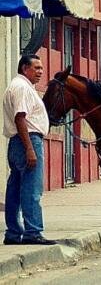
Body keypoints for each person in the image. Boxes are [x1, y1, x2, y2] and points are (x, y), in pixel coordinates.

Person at [3, 55, 55, 245]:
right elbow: (20, 118)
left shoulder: (19, 86)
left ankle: (13, 233)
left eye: (41, 68)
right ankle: (33, 231)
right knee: (31, 189)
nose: (40, 72)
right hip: (27, 140)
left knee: (15, 189)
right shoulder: (22, 87)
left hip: (18, 142)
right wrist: (30, 149)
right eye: (36, 68)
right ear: (25, 68)